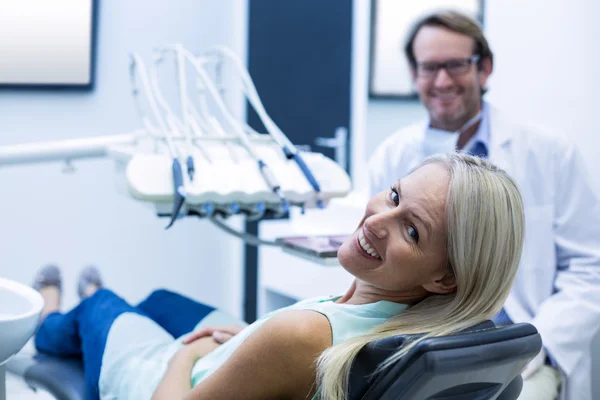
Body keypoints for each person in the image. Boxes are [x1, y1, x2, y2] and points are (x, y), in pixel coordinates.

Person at [32, 153, 524, 400]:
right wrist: (252, 342)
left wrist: (188, 352)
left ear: (444, 279)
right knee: (161, 299)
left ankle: (54, 313)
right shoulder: (409, 320)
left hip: (165, 381)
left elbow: (296, 345)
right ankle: (99, 317)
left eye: (411, 230)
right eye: (394, 197)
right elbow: (300, 360)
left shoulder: (301, 336)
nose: (375, 220)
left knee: (102, 308)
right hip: (239, 353)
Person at [368, 10, 600, 400]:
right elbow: (376, 259)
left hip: (524, 346)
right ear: (414, 75)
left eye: (455, 65)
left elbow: (589, 266)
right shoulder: (393, 156)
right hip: (424, 343)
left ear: (484, 68)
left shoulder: (549, 153)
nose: (442, 81)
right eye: (429, 68)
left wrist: (541, 344)